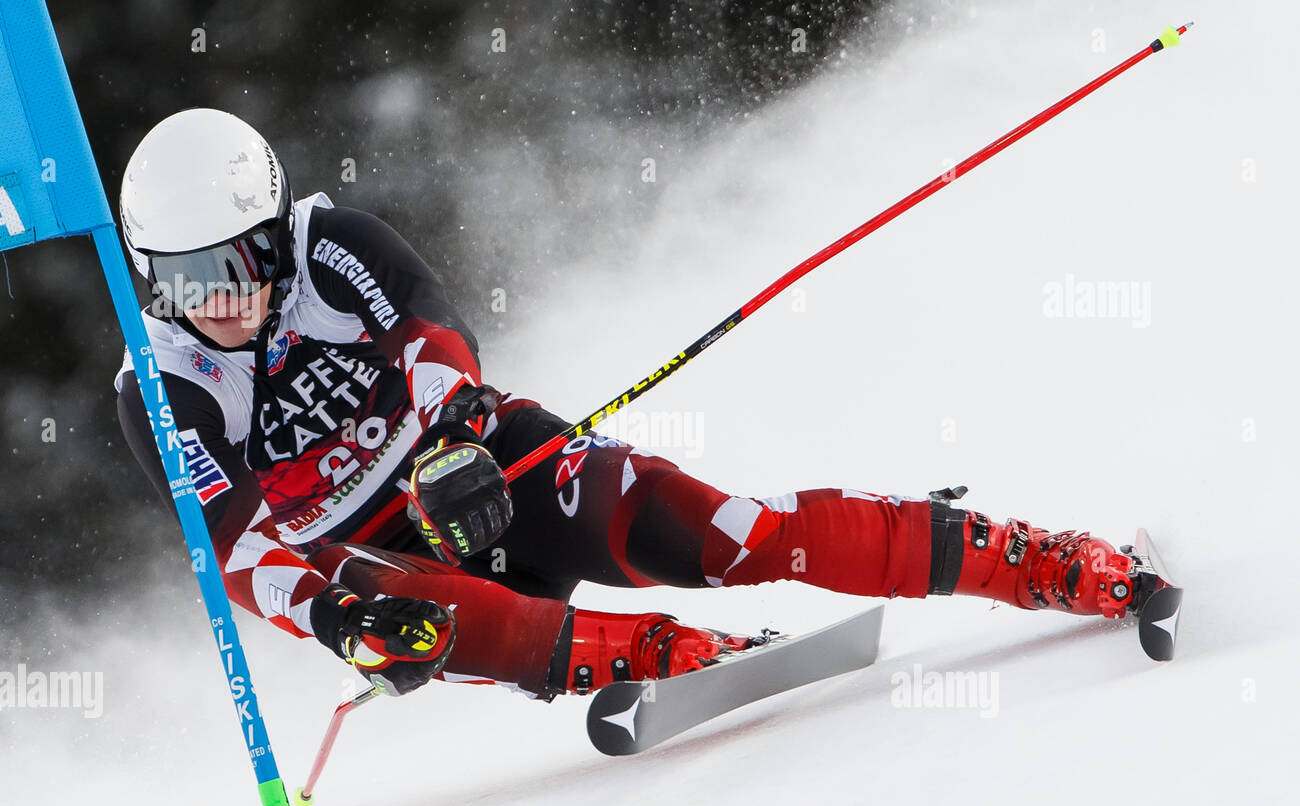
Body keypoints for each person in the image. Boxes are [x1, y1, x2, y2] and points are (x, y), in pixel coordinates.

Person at [115, 108, 1144, 699]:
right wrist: (334, 615)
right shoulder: (157, 385)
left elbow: (433, 334)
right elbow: (236, 547)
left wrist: (460, 430)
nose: (222, 301)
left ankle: (1029, 557)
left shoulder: (328, 243)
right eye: (184, 279)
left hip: (471, 466)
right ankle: (667, 657)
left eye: (237, 262)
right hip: (368, 550)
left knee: (727, 533)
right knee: (447, 622)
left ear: (271, 227)